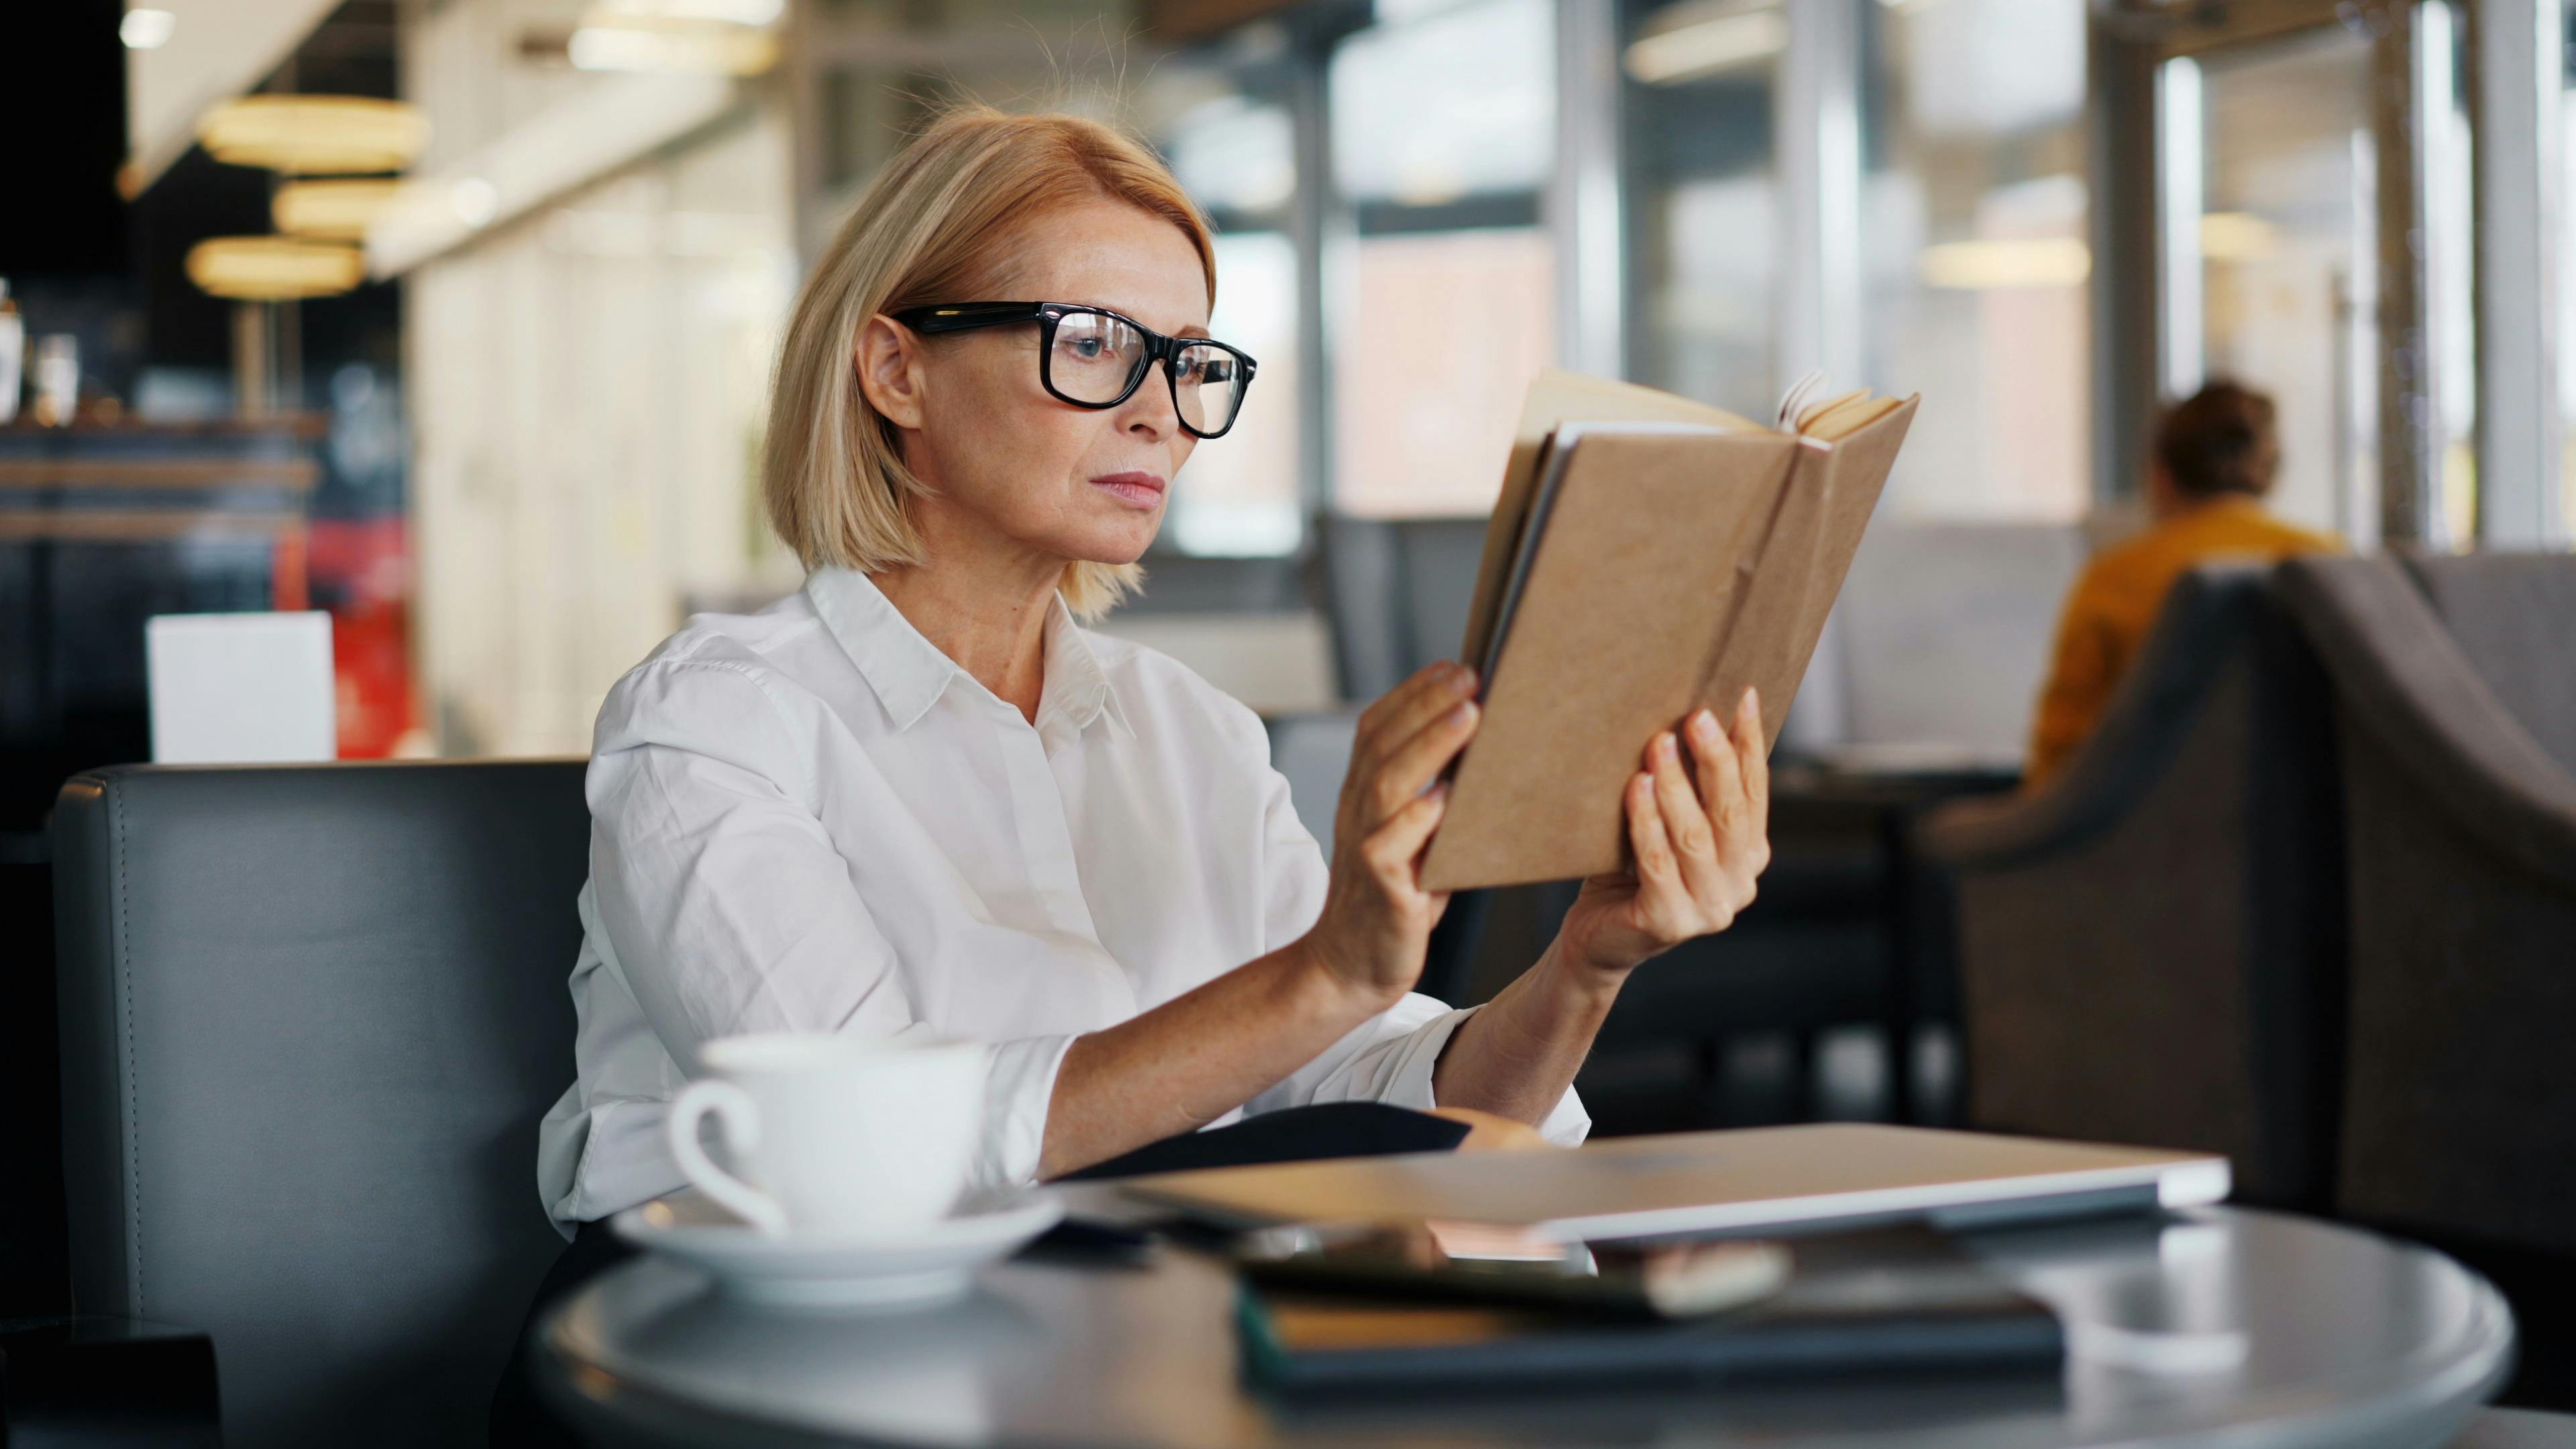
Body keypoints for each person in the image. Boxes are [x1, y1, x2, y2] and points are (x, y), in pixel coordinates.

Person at [492, 105, 1772, 1440]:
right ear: (896, 370)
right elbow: (870, 1156)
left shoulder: (1191, 732)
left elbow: (1398, 1102)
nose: (1163, 414)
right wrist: (1323, 974)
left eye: (1189, 361)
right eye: (1095, 344)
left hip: (1099, 1332)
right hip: (727, 1356)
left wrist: (1586, 965)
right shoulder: (717, 716)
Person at [2023, 380, 2341, 787]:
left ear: (2161, 476)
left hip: (2146, 815)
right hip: (2310, 813)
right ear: (2268, 472)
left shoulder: (2116, 578)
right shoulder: (2332, 565)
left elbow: (2058, 756)